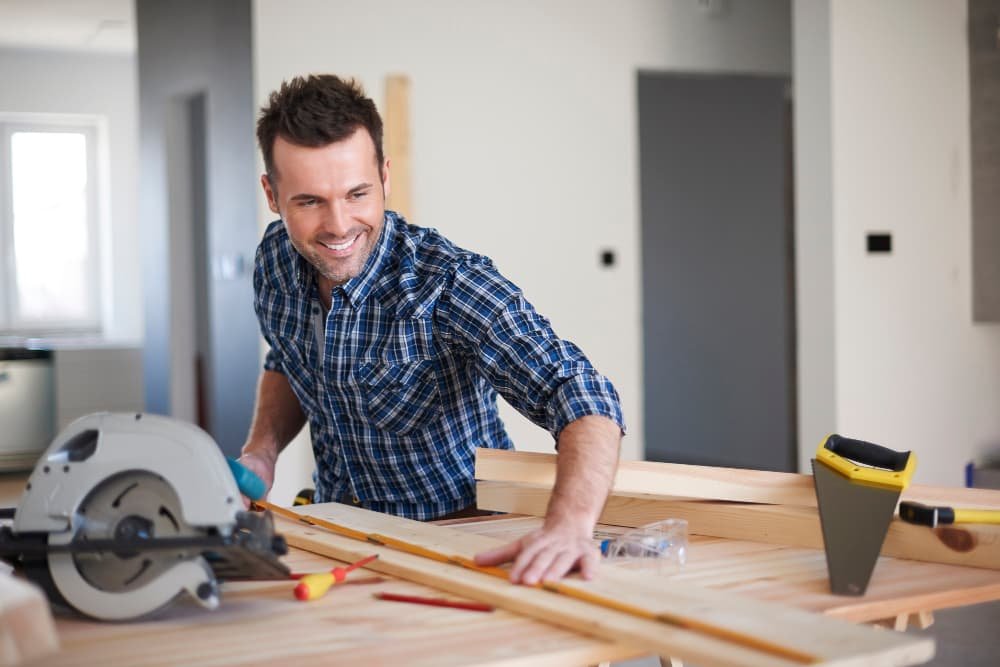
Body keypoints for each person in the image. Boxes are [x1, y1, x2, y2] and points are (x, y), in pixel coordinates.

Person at [239, 74, 624, 585]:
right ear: (272, 193)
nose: (338, 225)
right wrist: (262, 452)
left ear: (385, 177)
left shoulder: (447, 283)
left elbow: (580, 392)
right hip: (339, 533)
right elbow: (287, 362)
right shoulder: (274, 261)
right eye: (309, 202)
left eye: (357, 193)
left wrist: (570, 526)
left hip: (460, 543)